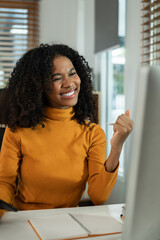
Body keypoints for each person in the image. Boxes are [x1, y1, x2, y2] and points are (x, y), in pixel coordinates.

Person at [0, 44, 133, 216]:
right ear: (38, 86)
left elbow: (98, 197)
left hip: (70, 220)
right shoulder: (18, 131)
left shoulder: (92, 133)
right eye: (56, 78)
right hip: (26, 219)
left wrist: (117, 147)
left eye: (72, 73)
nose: (69, 83)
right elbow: (4, 183)